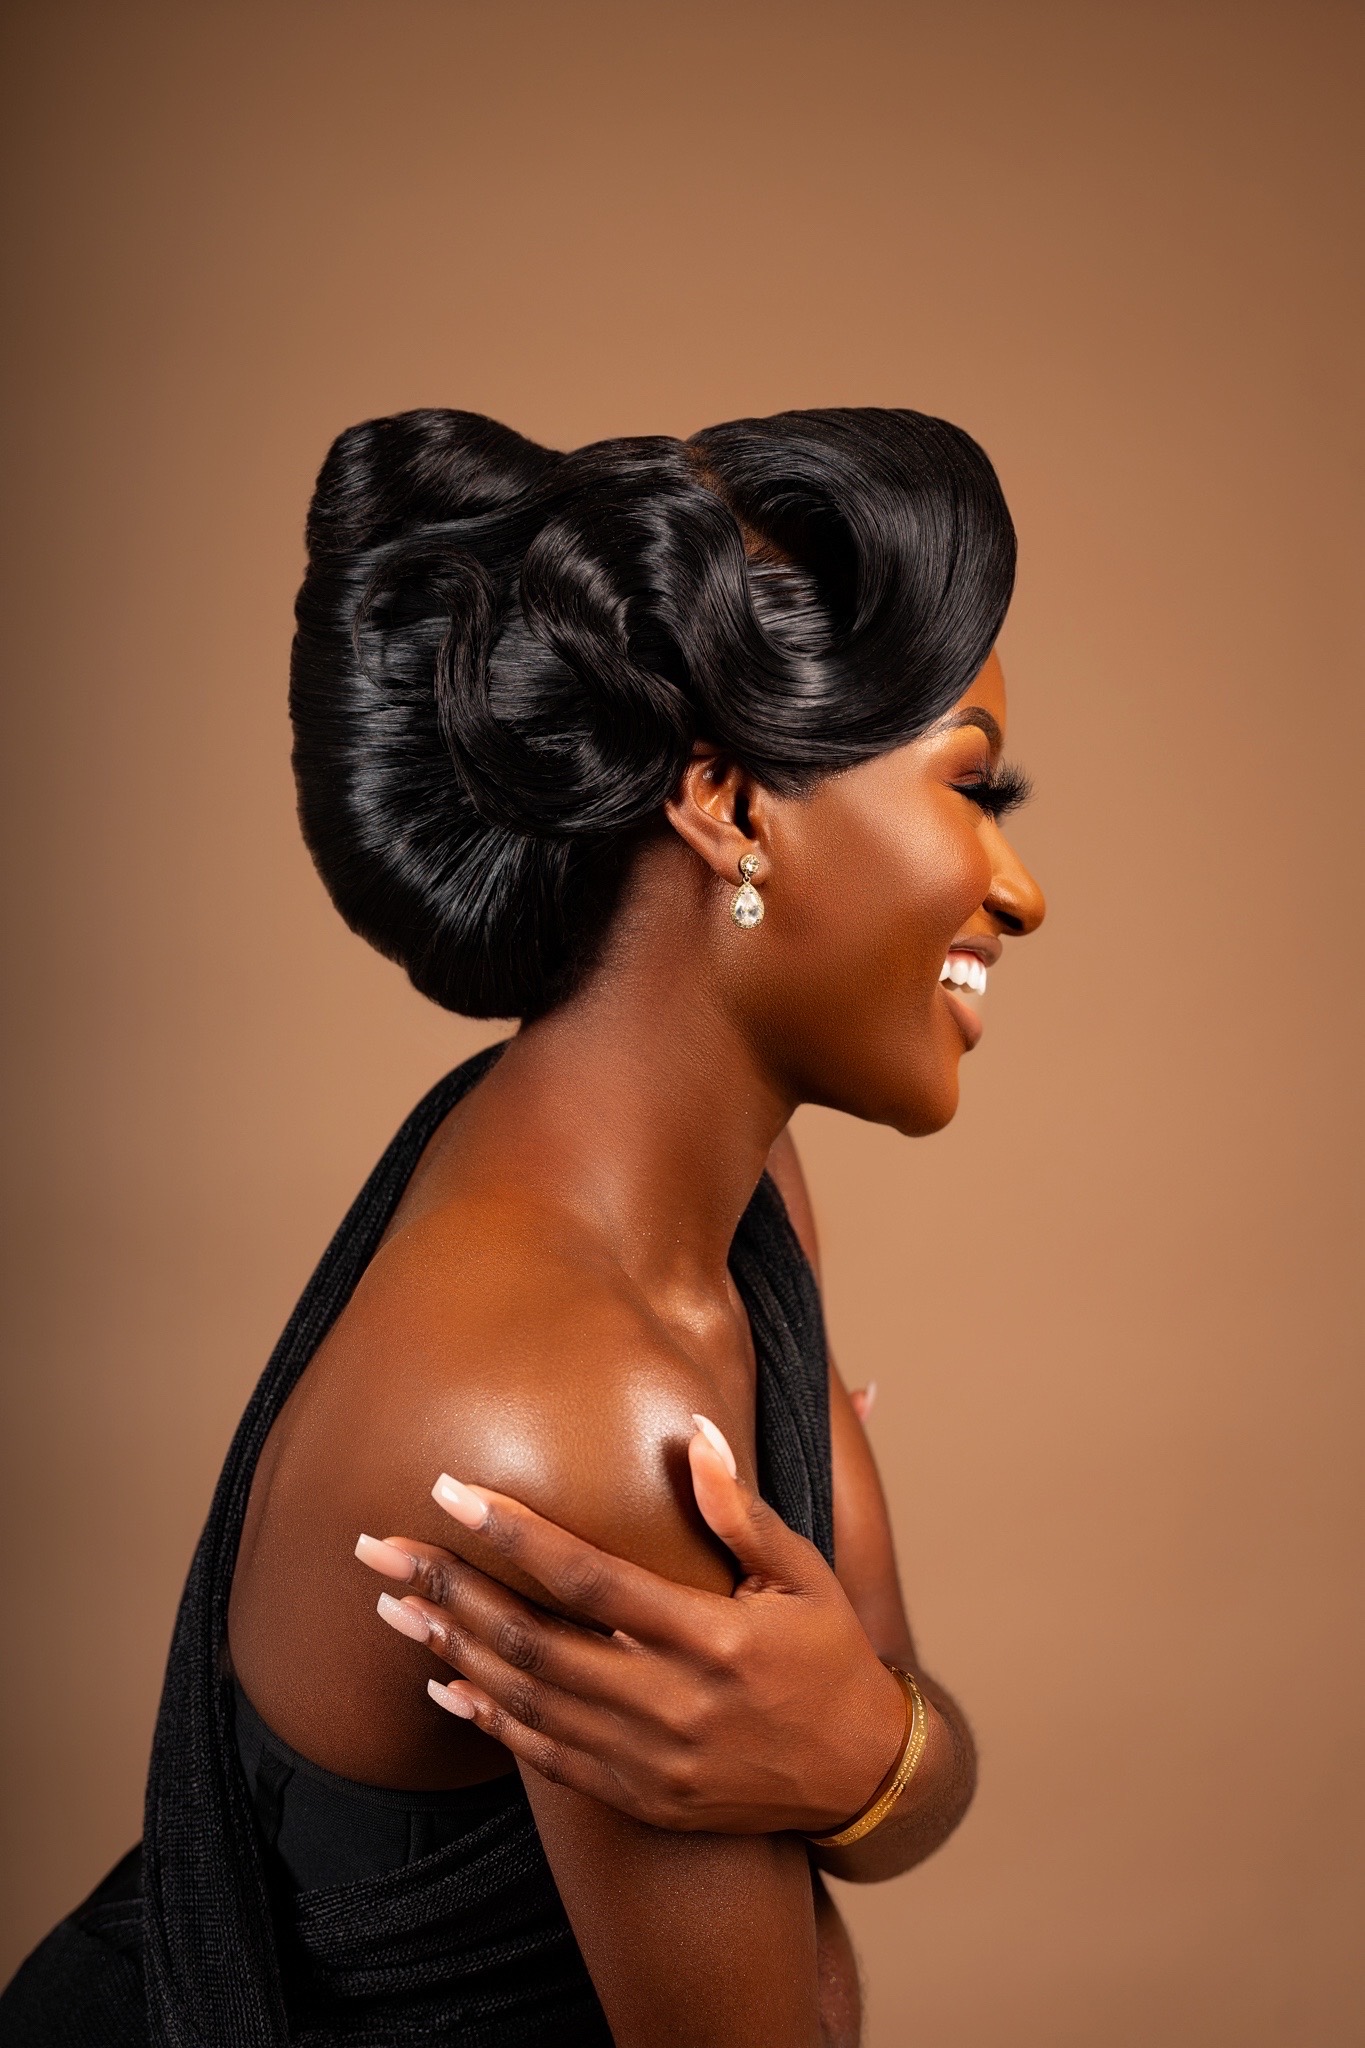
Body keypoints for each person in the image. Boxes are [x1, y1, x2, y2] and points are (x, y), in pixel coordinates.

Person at [0, 406, 1044, 2047]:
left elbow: (875, 1762)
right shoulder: (570, 1413)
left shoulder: (721, 1200)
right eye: (973, 790)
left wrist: (867, 1755)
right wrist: (870, 1762)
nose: (1018, 890)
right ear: (729, 807)